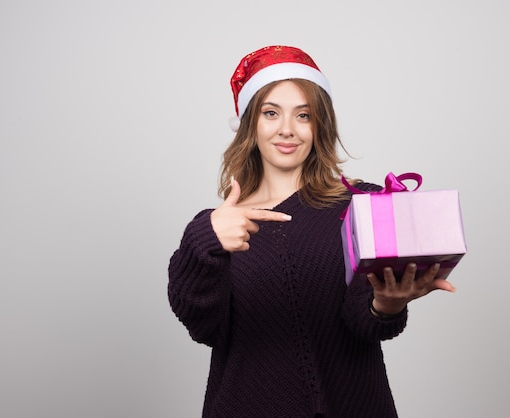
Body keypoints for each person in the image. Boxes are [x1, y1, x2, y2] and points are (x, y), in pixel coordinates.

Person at [167, 45, 456, 417]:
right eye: (271, 113)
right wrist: (204, 240)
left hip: (353, 404)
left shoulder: (361, 204)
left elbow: (361, 321)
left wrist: (387, 304)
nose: (287, 129)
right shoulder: (219, 225)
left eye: (303, 115)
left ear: (320, 126)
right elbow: (204, 327)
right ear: (249, 123)